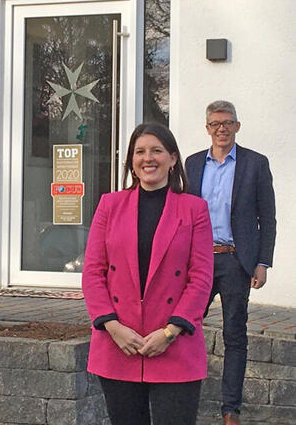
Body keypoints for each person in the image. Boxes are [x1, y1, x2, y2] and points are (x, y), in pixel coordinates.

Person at [82, 123, 214, 425]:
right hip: (119, 343)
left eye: (157, 150)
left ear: (172, 158)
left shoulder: (195, 209)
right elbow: (92, 272)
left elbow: (201, 277)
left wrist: (170, 332)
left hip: (175, 345)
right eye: (140, 152)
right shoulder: (109, 205)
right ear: (131, 161)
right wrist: (114, 327)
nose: (148, 158)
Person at [185, 100, 276, 425]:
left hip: (237, 261)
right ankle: (183, 397)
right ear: (207, 128)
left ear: (237, 126)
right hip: (198, 261)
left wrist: (262, 262)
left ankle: (230, 410)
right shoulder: (193, 163)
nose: (221, 128)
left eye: (227, 122)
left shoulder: (255, 163)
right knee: (185, 327)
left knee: (234, 335)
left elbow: (267, 217)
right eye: (215, 123)